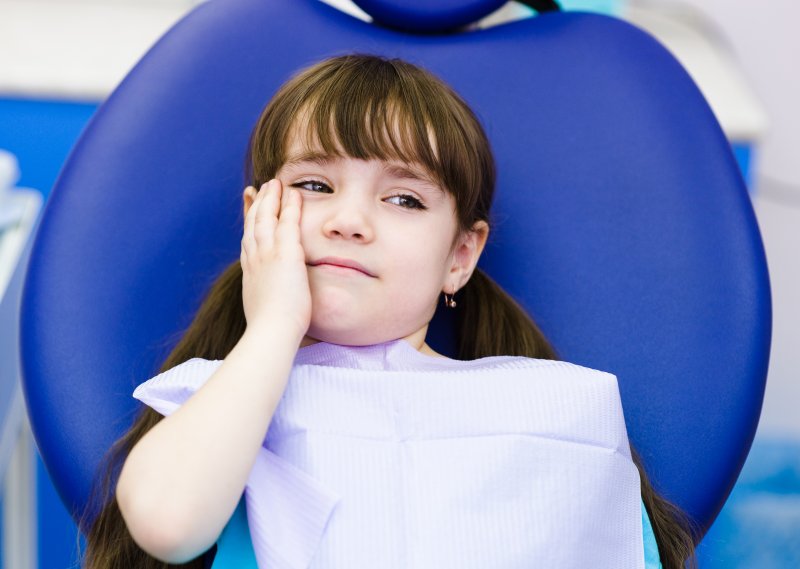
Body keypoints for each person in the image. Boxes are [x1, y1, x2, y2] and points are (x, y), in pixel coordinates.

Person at [80, 54, 698, 569]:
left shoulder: (560, 409)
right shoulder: (220, 401)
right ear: (256, 218)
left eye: (403, 198)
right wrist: (273, 324)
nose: (348, 222)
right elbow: (167, 523)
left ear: (461, 254)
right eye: (314, 185)